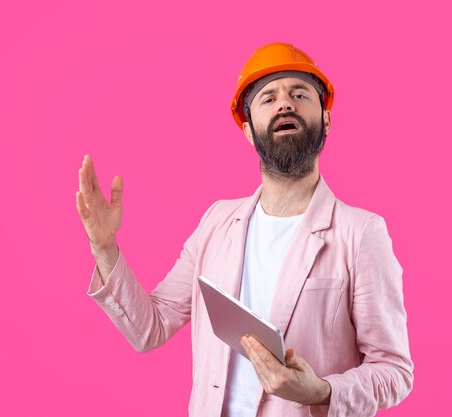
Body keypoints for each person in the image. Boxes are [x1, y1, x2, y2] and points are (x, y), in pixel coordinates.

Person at [76, 42, 414, 417]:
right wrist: (104, 248)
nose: (285, 104)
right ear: (249, 131)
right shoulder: (216, 223)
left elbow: (394, 371)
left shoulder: (361, 233)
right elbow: (150, 328)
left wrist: (320, 390)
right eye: (268, 98)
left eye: (299, 94)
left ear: (327, 120)